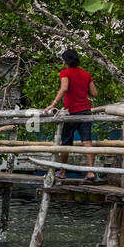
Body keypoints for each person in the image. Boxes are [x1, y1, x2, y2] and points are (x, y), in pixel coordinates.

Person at [44, 49, 97, 181]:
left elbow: (64, 88)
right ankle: (91, 172)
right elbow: (94, 93)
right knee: (87, 141)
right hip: (86, 111)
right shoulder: (86, 74)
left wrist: (53, 104)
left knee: (66, 142)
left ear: (65, 61)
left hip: (71, 112)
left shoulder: (65, 72)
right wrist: (82, 88)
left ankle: (62, 172)